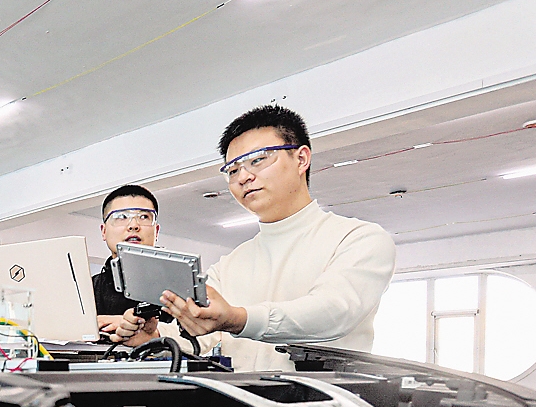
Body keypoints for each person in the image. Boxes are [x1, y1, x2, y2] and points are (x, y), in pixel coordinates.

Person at [158, 105, 395, 372]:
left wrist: (239, 319)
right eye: (233, 170)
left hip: (323, 397)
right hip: (241, 397)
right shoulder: (230, 264)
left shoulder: (359, 239)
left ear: (301, 159)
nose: (243, 177)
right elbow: (200, 334)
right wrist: (153, 336)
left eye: (258, 160)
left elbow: (332, 312)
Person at [94, 184, 161, 348]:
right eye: (121, 217)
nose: (133, 225)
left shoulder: (178, 286)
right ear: (104, 231)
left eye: (144, 217)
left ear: (156, 231)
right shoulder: (87, 289)